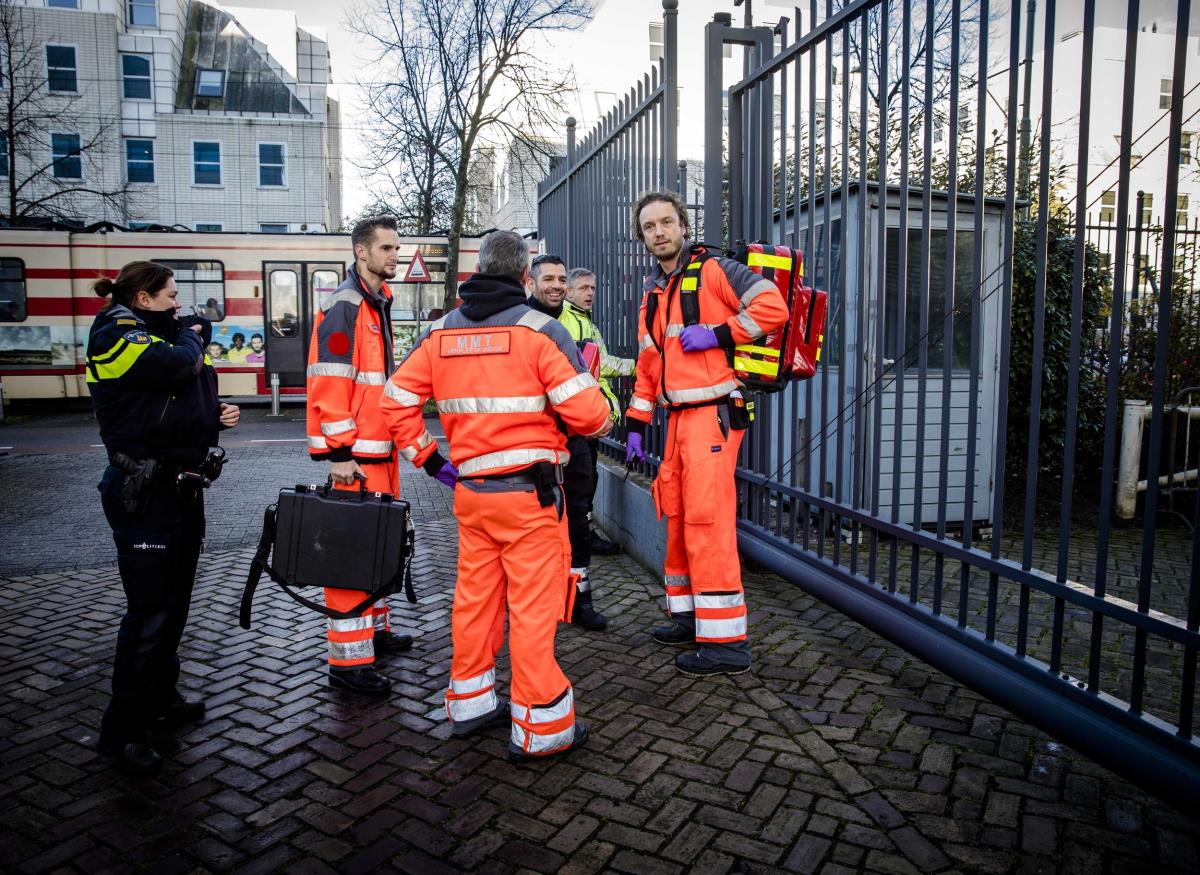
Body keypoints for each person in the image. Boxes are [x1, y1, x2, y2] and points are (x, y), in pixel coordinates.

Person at [380, 230, 611, 761]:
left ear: (477, 269)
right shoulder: (543, 331)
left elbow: (394, 403)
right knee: (531, 608)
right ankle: (541, 726)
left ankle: (471, 702)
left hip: (472, 496)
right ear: (525, 276)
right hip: (529, 498)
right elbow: (592, 418)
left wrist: (434, 462)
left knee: (475, 601)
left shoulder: (438, 333)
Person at [624, 190, 788, 677]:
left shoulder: (716, 271)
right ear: (643, 237)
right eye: (650, 226)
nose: (659, 232)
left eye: (666, 222)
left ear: (683, 225)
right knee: (676, 515)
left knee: (706, 522)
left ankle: (726, 645)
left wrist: (718, 334)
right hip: (678, 421)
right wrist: (636, 421)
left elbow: (772, 307)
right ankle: (691, 615)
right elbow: (649, 363)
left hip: (712, 416)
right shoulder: (653, 294)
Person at [87, 261, 241, 774]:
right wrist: (194, 339)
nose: (180, 303)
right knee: (149, 612)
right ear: (144, 298)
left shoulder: (161, 336)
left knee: (173, 605)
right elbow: (175, 368)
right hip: (143, 493)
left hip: (180, 490)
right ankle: (121, 730)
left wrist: (216, 412)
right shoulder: (115, 333)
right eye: (171, 294)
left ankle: (160, 698)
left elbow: (178, 392)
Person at [306, 215, 414, 696]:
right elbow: (329, 386)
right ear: (360, 252)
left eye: (396, 247)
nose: (395, 255)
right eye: (387, 248)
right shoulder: (346, 308)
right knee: (352, 556)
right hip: (357, 459)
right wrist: (340, 453)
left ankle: (376, 631)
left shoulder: (376, 304)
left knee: (381, 545)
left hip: (379, 453)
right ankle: (348, 665)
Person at [554, 267, 637, 631]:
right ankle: (576, 595)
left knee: (581, 503)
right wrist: (641, 366)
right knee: (577, 506)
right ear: (569, 291)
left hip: (586, 427)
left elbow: (598, 365)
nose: (590, 293)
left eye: (593, 287)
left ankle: (580, 561)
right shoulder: (570, 323)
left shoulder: (585, 321)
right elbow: (587, 370)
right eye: (583, 288)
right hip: (576, 428)